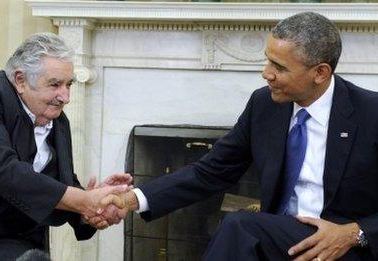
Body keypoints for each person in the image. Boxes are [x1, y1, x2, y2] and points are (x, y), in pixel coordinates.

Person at [115, 12, 378, 260]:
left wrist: (354, 233)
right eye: (267, 59)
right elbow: (212, 170)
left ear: (320, 73)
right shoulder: (265, 105)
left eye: (279, 67)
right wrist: (131, 199)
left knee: (240, 225)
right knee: (241, 230)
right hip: (279, 240)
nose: (266, 73)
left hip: (345, 246)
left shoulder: (370, 113)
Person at [0, 32, 130, 260]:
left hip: (4, 238)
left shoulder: (58, 121)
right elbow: (2, 170)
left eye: (69, 84)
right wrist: (83, 201)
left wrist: (93, 208)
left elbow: (58, 182)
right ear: (20, 80)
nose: (65, 97)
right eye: (55, 84)